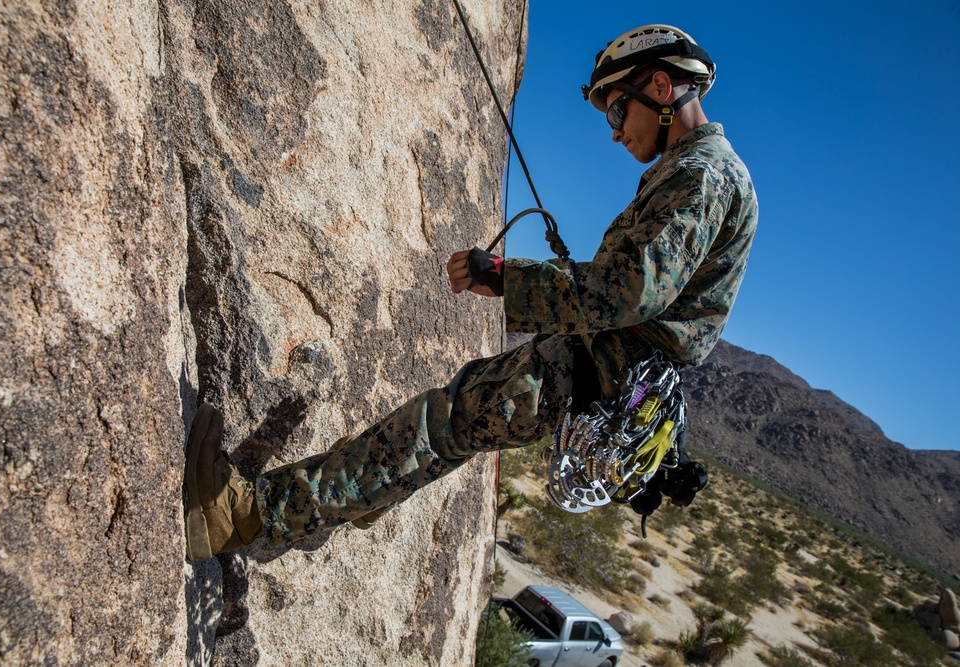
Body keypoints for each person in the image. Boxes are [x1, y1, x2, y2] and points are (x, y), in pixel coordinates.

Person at [183, 24, 758, 562]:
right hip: (602, 366)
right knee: (448, 421)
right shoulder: (697, 170)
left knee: (442, 426)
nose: (613, 129)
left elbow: (633, 289)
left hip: (600, 365)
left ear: (661, 85)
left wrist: (507, 278)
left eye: (616, 107)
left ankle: (242, 515)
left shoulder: (704, 175)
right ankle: (336, 501)